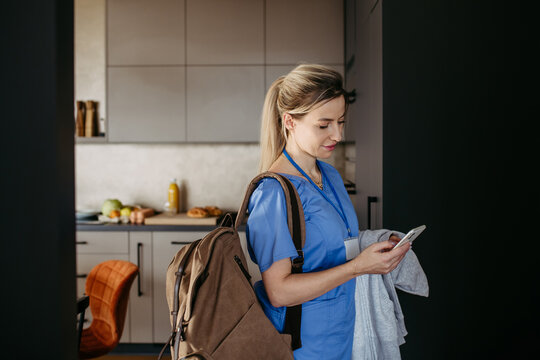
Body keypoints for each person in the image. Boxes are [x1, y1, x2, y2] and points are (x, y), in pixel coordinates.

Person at [245, 64, 411, 359]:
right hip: (302, 344)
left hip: (342, 333)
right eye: (324, 125)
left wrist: (376, 245)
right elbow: (279, 292)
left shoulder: (331, 175)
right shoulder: (273, 194)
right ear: (290, 122)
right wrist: (360, 266)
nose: (337, 134)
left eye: (341, 121)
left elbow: (330, 247)